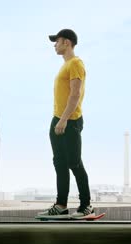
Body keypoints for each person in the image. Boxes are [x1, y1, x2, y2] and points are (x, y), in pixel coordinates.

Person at [37, 29, 93, 219]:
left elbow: (75, 94)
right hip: (57, 119)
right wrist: (58, 119)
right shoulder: (65, 66)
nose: (55, 45)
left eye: (57, 41)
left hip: (70, 120)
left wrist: (64, 119)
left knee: (74, 163)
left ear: (67, 43)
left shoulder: (76, 63)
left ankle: (86, 205)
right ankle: (61, 205)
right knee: (59, 163)